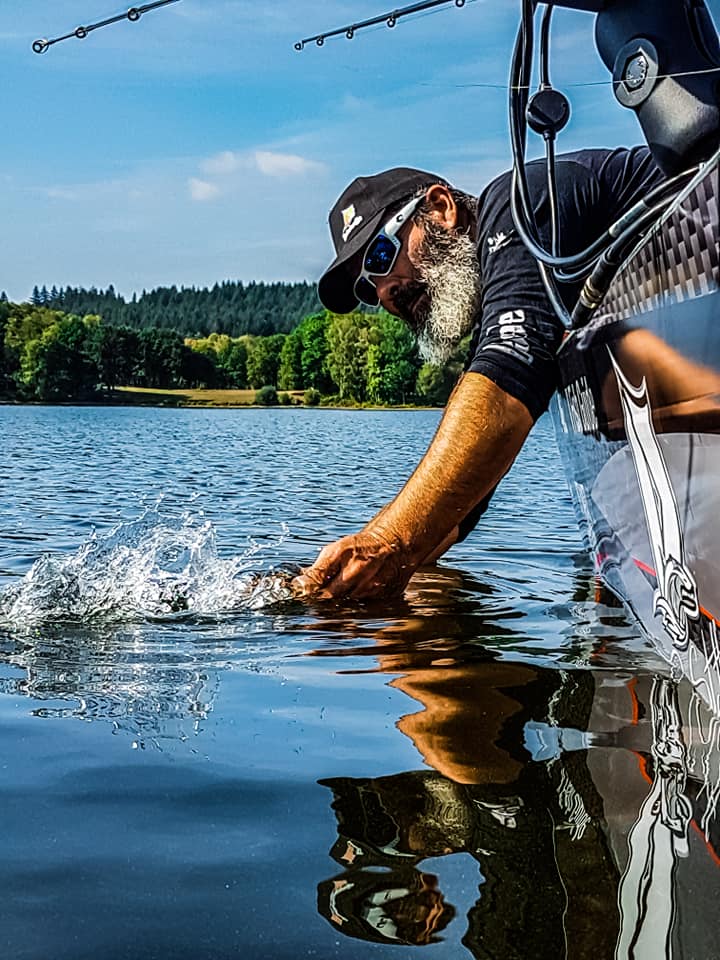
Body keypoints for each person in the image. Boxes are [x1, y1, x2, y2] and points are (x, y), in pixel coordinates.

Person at [292, 148, 665, 600]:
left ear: (441, 208)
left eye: (382, 255)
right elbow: (457, 509)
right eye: (367, 288)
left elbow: (506, 387)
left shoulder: (523, 202)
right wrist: (325, 583)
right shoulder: (502, 306)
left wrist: (387, 542)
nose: (385, 290)